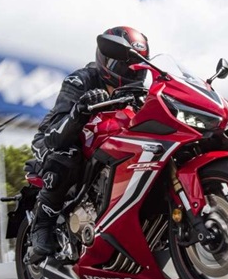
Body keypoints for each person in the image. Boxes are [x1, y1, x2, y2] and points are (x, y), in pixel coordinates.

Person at [30, 26, 150, 256]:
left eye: (136, 64)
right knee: (67, 155)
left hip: (100, 142)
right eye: (124, 64)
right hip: (53, 139)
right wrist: (80, 110)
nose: (131, 70)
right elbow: (55, 135)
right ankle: (42, 224)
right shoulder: (80, 80)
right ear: (107, 59)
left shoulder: (138, 93)